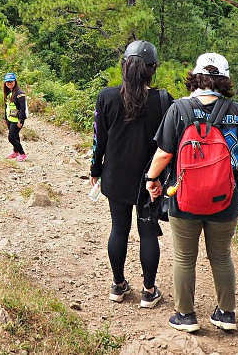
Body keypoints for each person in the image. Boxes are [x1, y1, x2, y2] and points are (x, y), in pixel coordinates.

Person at [144, 52, 238, 333]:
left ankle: (185, 316)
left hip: (184, 197)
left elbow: (164, 154)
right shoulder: (237, 111)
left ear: (196, 76)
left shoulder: (180, 109)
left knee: (184, 258)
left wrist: (151, 178)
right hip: (225, 199)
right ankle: (226, 313)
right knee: (222, 255)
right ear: (224, 79)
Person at [91, 40, 174, 309]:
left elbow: (98, 139)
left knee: (119, 228)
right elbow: (168, 146)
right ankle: (149, 292)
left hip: (115, 175)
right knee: (148, 232)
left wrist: (95, 169)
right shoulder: (163, 101)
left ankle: (118, 285)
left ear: (124, 67)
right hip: (150, 180)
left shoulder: (107, 96)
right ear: (153, 69)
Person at [3, 73, 27, 161]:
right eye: (7, 82)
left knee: (11, 138)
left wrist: (20, 120)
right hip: (10, 118)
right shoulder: (9, 92)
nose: (9, 83)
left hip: (17, 119)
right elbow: (6, 106)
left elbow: (22, 108)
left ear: (15, 81)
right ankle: (15, 152)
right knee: (16, 136)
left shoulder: (19, 93)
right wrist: (5, 118)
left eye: (11, 81)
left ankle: (22, 154)